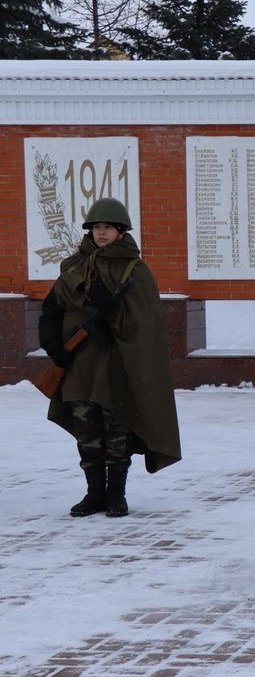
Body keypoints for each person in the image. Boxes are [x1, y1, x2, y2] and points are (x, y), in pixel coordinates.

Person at [38, 198, 181, 517]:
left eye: (108, 228)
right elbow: (51, 310)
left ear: (120, 232)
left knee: (117, 432)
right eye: (96, 228)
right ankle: (94, 494)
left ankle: (116, 493)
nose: (101, 233)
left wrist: (114, 322)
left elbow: (146, 323)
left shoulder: (136, 271)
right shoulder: (73, 267)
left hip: (118, 366)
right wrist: (55, 350)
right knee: (87, 434)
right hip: (79, 366)